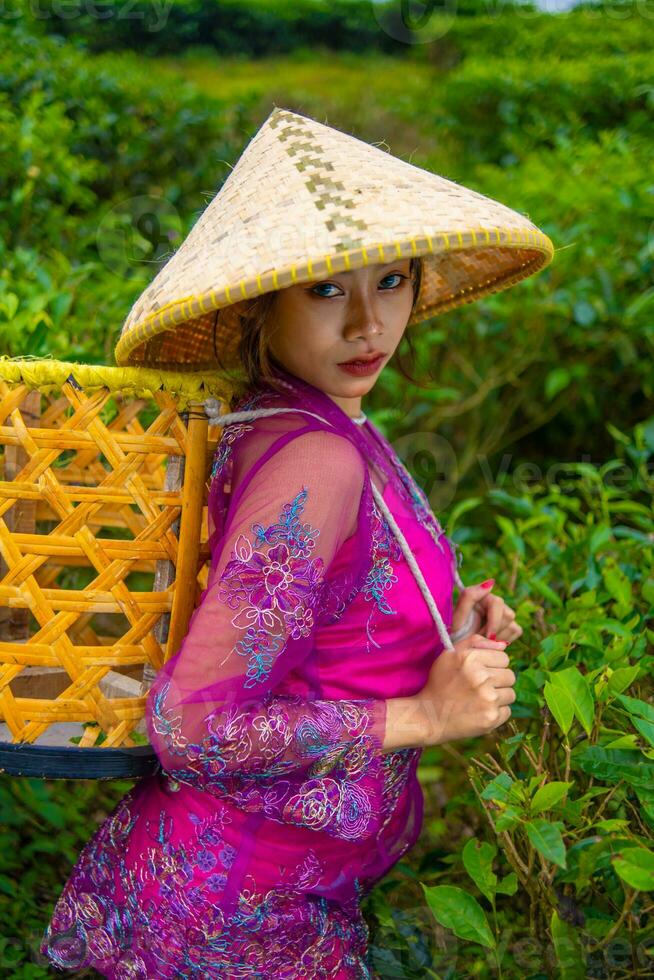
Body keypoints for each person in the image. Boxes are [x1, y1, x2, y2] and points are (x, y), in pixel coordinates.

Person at [40, 106, 552, 978]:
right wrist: (425, 715)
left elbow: (325, 628)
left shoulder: (326, 422)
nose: (367, 324)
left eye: (391, 281)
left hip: (279, 892)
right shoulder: (315, 457)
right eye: (325, 289)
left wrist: (439, 631)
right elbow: (194, 727)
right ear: (261, 302)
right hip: (236, 917)